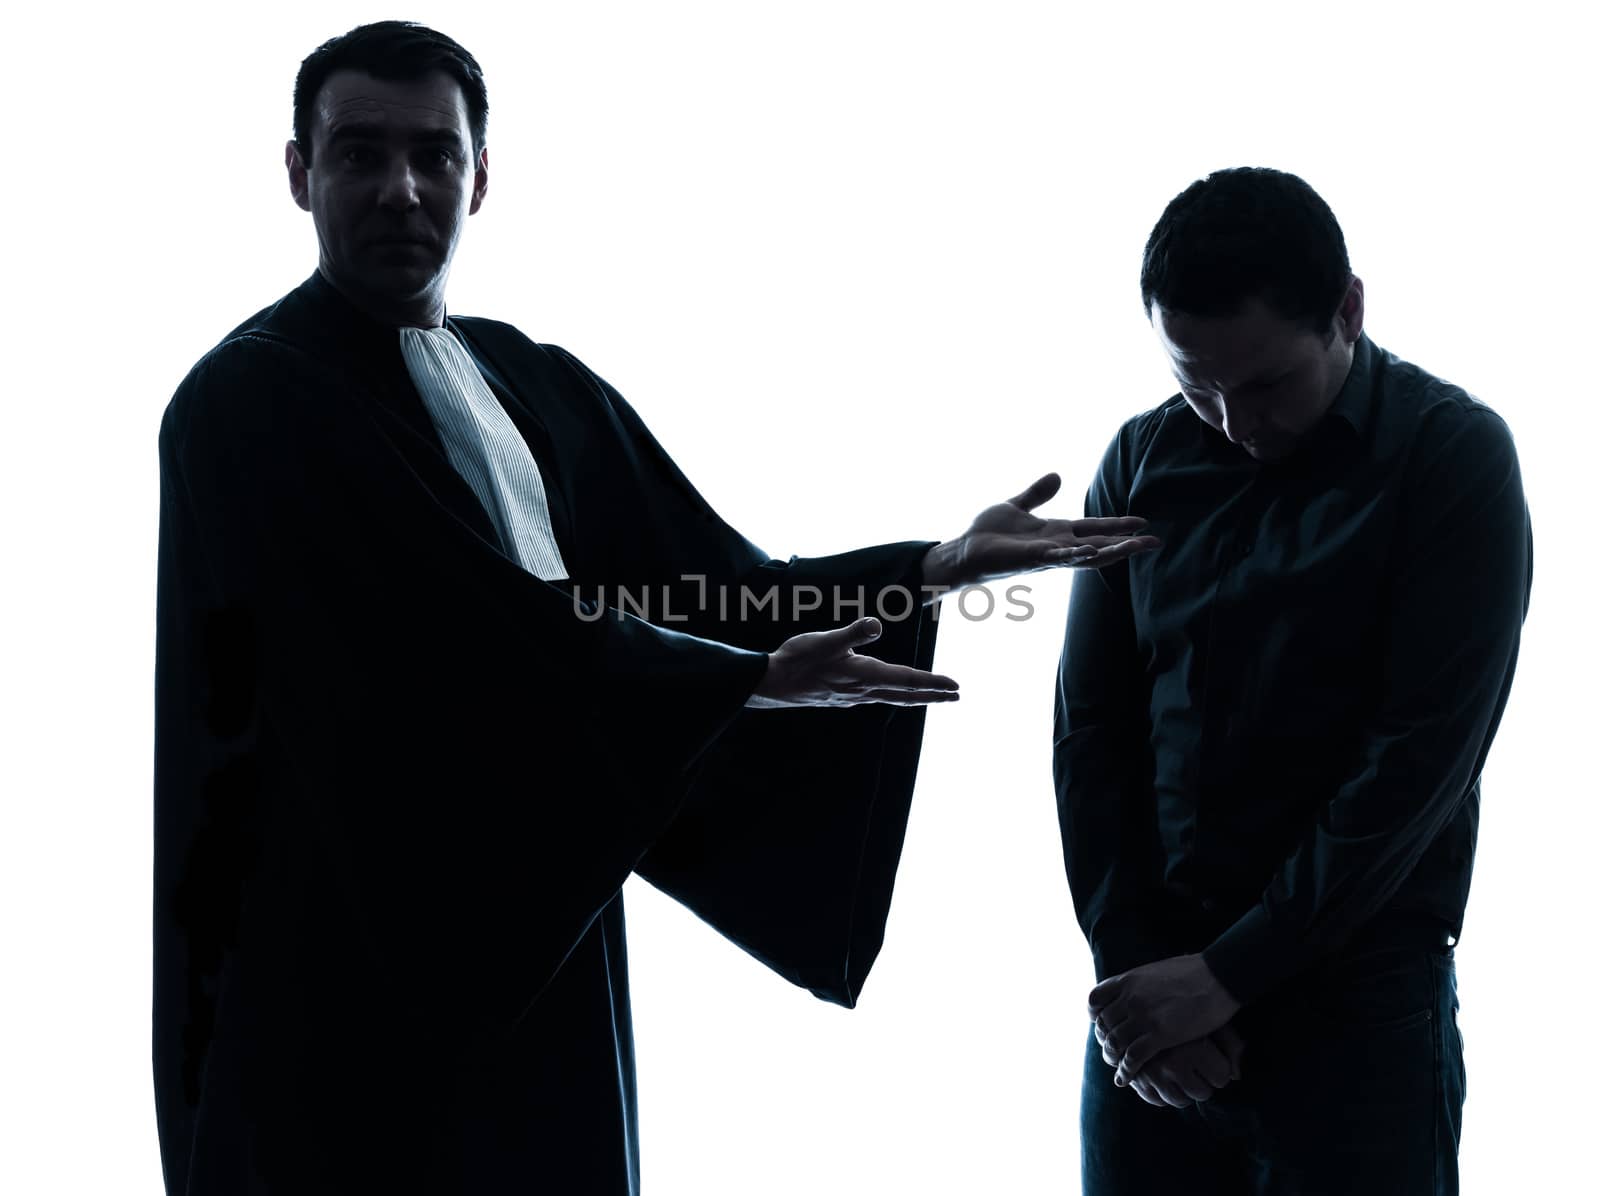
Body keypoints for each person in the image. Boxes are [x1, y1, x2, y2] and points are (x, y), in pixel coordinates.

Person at [152, 20, 1157, 1196]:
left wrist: (930, 564)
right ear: (296, 173)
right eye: (358, 154)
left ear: (483, 175)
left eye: (434, 155)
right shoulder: (250, 401)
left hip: (539, 937)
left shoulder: (525, 380)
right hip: (343, 961)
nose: (400, 189)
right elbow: (452, 639)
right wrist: (737, 678)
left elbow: (697, 590)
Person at [1053, 166, 1532, 1194]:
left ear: (1347, 310)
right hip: (1154, 1013)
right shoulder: (1139, 459)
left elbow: (1413, 765)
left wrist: (1224, 976)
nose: (1230, 420)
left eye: (1263, 384)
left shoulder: (1451, 457)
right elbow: (1091, 732)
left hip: (1355, 1018)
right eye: (1194, 383)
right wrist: (1135, 972)